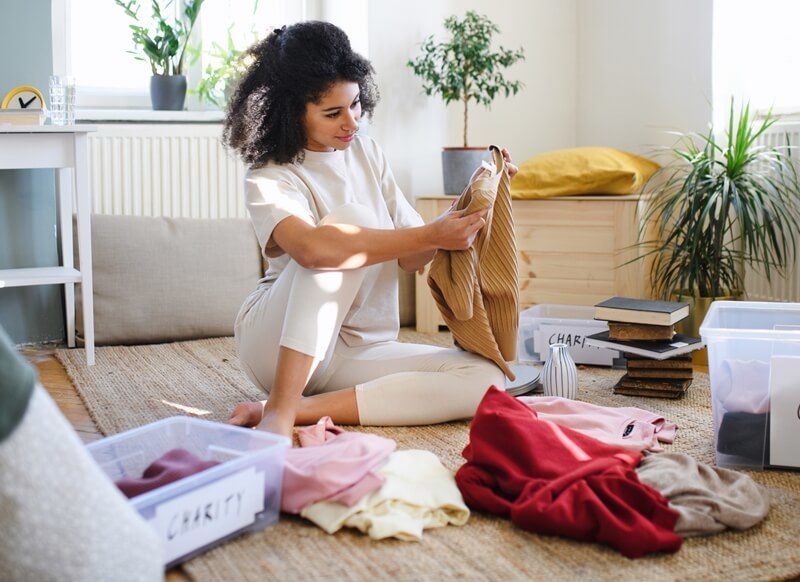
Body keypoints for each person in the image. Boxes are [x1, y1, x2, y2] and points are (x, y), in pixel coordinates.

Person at [222, 21, 518, 437]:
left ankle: (299, 408)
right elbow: (313, 251)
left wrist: (471, 204)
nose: (352, 122)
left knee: (487, 379)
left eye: (356, 105)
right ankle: (280, 408)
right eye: (333, 113)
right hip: (277, 345)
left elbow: (414, 255)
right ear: (291, 112)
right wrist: (431, 234)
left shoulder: (368, 153)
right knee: (349, 226)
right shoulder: (269, 175)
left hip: (361, 348)